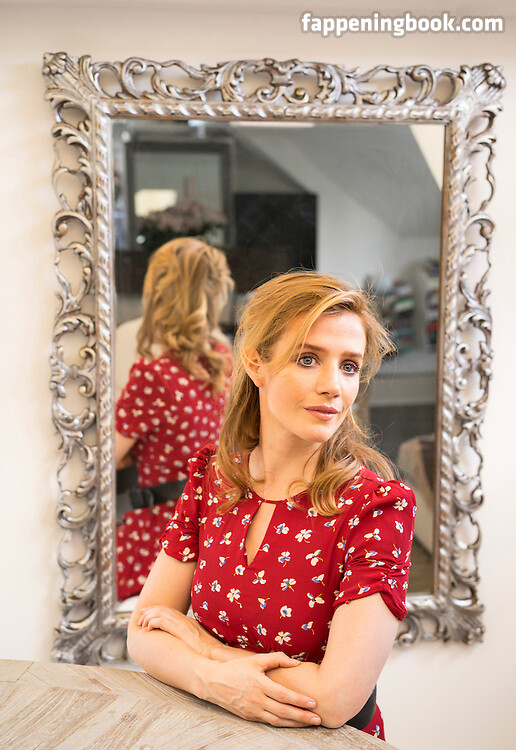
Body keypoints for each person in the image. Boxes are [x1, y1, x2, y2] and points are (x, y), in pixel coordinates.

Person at [127, 271, 416, 739]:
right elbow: (144, 631)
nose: (333, 385)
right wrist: (212, 679)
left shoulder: (376, 509)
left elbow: (335, 699)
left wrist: (207, 650)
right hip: (209, 735)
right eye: (308, 358)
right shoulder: (212, 478)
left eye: (349, 366)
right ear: (255, 362)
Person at [115, 237, 234, 600]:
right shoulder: (223, 361)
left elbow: (105, 459)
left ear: (156, 292)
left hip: (161, 530)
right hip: (212, 523)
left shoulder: (155, 375)